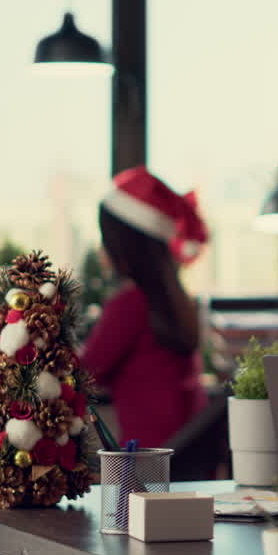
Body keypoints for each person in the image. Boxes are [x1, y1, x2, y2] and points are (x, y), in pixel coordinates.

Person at [80, 167, 209, 449]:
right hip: (185, 457)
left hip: (147, 460)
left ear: (122, 245)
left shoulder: (130, 304)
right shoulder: (177, 298)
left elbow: (83, 372)